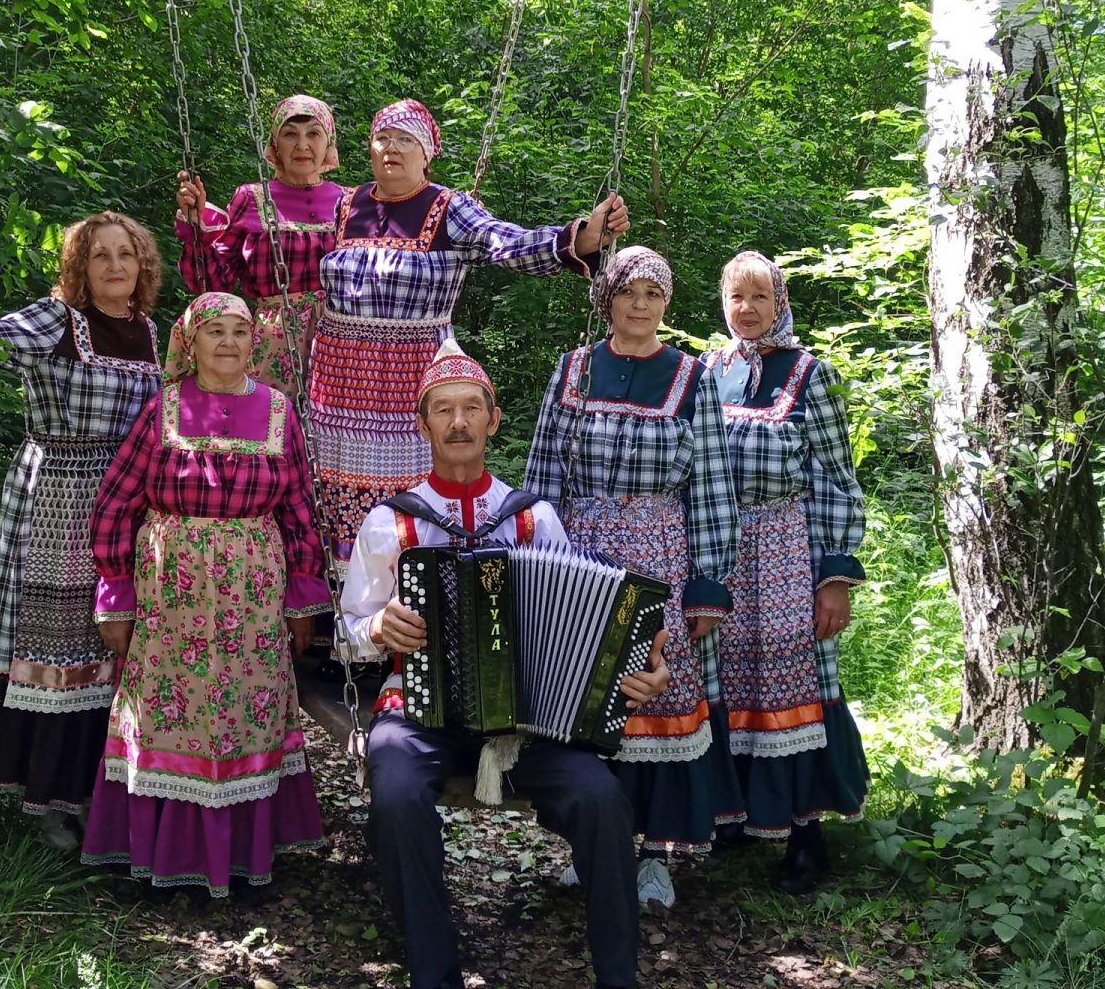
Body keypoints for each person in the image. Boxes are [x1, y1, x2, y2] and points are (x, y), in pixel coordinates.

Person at [341, 342, 672, 989]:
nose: (458, 422)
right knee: (396, 796)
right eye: (443, 410)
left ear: (493, 421)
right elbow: (349, 631)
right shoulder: (389, 524)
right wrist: (376, 627)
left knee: (603, 797)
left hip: (528, 723)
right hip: (418, 710)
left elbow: (588, 620)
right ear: (424, 423)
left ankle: (618, 976)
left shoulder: (532, 518)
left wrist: (638, 673)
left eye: (471, 408)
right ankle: (434, 975)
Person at [310, 97, 628, 591]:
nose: (391, 148)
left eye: (405, 140)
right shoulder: (345, 205)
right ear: (368, 148)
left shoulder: (447, 208)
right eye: (383, 138)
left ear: (427, 153)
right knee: (334, 505)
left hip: (410, 388)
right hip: (336, 390)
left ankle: (424, 622)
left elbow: (507, 243)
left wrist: (580, 238)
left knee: (413, 510)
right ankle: (351, 634)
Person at [80, 292, 330, 894]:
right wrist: (116, 593)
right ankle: (162, 854)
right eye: (213, 331)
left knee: (248, 709)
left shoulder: (279, 411)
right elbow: (116, 501)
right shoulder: (163, 409)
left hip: (254, 591)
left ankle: (244, 854)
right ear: (189, 343)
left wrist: (302, 598)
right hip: (172, 594)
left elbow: (298, 510)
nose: (228, 342)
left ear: (256, 342)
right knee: (171, 710)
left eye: (240, 331)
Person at [521, 246, 744, 908]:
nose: (640, 305)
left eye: (653, 294)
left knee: (654, 697)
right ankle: (586, 846)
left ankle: (654, 857)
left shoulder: (690, 377)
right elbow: (540, 478)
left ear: (666, 304)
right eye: (628, 292)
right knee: (583, 699)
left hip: (659, 557)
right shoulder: (574, 371)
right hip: (580, 556)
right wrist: (536, 561)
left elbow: (711, 483)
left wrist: (709, 580)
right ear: (607, 300)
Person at [0, 213, 163, 846]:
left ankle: (100, 787)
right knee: (56, 643)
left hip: (130, 505)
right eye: (100, 257)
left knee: (112, 641)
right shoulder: (53, 320)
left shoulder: (149, 331)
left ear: (143, 266)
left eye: (126, 255)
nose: (115, 267)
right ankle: (43, 796)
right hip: (59, 495)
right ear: (79, 269)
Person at [700, 251, 870, 892]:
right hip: (719, 552)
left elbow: (834, 479)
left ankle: (805, 836)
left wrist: (832, 577)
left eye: (759, 298)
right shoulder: (705, 372)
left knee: (789, 690)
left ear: (781, 303)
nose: (746, 310)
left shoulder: (809, 374)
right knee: (728, 687)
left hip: (785, 556)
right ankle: (736, 818)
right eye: (736, 298)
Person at [174, 94, 346, 395]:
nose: (302, 145)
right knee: (273, 430)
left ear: (328, 142)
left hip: (339, 341)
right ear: (275, 143)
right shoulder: (251, 198)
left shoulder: (350, 201)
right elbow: (214, 284)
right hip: (273, 344)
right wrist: (196, 229)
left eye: (313, 134)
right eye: (290, 134)